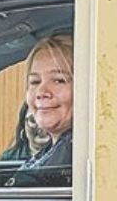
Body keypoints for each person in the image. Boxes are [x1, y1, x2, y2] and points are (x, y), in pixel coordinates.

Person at [6, 34, 73, 187]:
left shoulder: (68, 161)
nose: (41, 92)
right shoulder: (54, 151)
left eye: (58, 80)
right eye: (35, 82)